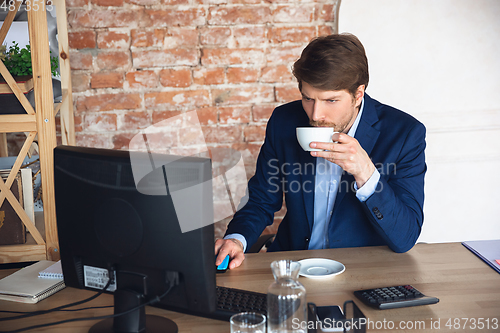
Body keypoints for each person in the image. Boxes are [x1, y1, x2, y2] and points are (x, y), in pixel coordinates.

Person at [215, 33, 426, 269]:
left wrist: (366, 173)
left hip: (363, 272)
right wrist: (237, 239)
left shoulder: (405, 134)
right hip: (294, 267)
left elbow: (405, 237)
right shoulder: (283, 121)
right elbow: (262, 200)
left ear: (358, 95)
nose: (315, 115)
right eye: (308, 98)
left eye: (330, 101)